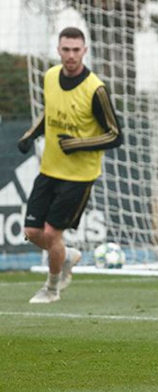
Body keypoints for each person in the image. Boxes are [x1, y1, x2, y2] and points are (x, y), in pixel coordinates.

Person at [17, 27, 123, 304]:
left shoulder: (95, 89)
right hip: (49, 168)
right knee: (31, 233)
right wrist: (30, 136)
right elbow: (49, 114)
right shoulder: (51, 76)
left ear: (85, 51)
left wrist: (76, 143)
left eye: (76, 50)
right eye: (66, 49)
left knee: (52, 233)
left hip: (79, 175)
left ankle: (51, 289)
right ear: (59, 50)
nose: (71, 55)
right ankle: (67, 256)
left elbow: (115, 135)